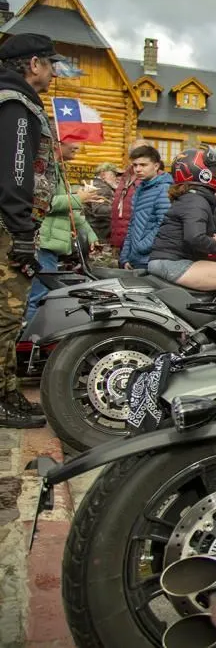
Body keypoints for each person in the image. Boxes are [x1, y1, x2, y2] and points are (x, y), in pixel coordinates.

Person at [0, 33, 69, 427]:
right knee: (6, 314)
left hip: (9, 223)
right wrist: (22, 228)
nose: (54, 70)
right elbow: (15, 171)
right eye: (50, 62)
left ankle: (8, 391)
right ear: (33, 64)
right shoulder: (15, 104)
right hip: (7, 227)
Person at [147, 148, 216, 299]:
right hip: (172, 262)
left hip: (167, 260)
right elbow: (194, 237)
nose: (215, 172)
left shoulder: (189, 197)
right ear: (202, 172)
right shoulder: (196, 200)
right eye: (213, 169)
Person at [26, 141, 99, 324]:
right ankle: (28, 346)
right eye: (73, 140)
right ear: (57, 142)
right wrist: (78, 198)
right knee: (38, 298)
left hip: (51, 244)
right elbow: (42, 203)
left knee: (42, 296)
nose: (78, 146)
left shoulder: (58, 169)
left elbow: (70, 211)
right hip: (43, 243)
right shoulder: (44, 168)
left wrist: (89, 234)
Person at [118, 145, 172, 269]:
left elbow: (164, 224)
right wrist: (125, 257)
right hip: (135, 259)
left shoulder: (164, 189)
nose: (138, 169)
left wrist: (141, 246)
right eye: (135, 165)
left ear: (156, 166)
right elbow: (133, 225)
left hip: (151, 259)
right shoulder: (140, 189)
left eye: (143, 165)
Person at [108, 137, 149, 253]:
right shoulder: (126, 177)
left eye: (143, 152)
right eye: (135, 153)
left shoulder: (153, 178)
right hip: (120, 242)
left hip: (138, 244)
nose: (139, 156)